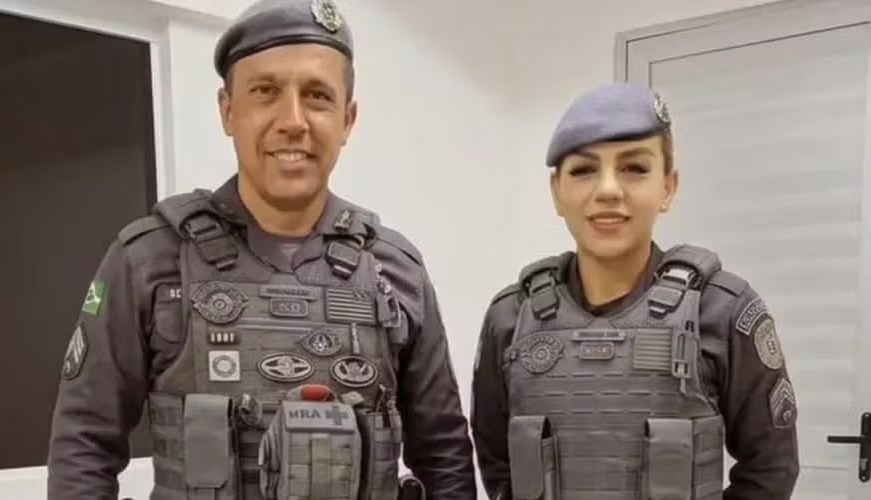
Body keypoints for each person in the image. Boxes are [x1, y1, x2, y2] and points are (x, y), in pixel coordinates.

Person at [46, 0, 477, 499]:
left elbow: (445, 459)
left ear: (347, 119)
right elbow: (84, 448)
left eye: (317, 96)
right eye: (265, 92)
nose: (293, 120)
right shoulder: (149, 261)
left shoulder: (396, 271)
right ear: (228, 110)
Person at [470, 83, 800, 500]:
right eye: (584, 170)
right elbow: (498, 464)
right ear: (557, 192)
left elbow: (771, 469)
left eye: (634, 168)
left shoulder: (723, 310)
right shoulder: (510, 317)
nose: (608, 190)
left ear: (668, 187)